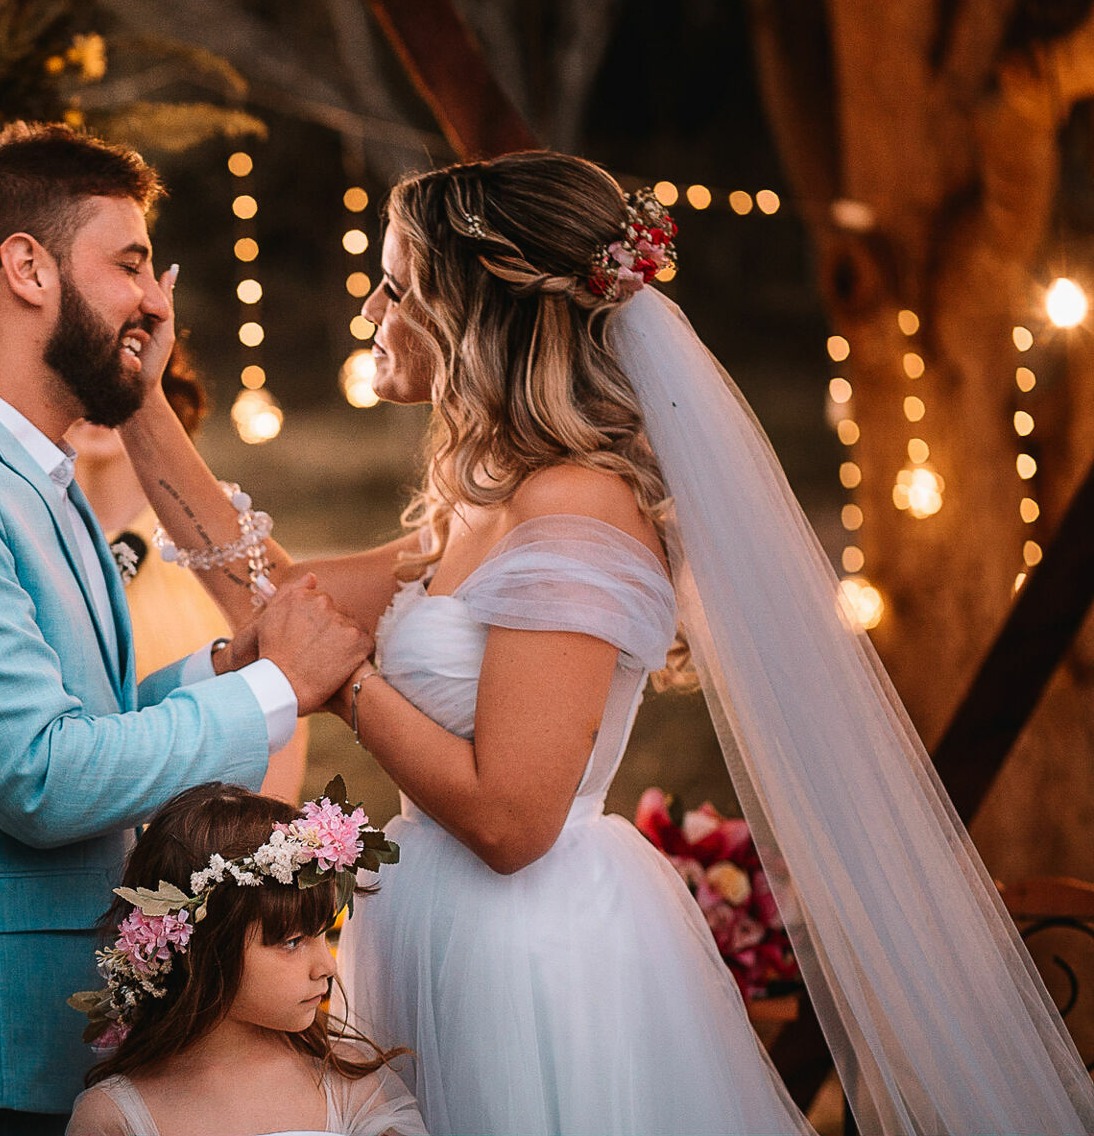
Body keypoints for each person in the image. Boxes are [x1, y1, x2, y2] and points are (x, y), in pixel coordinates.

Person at [118, 151, 1094, 1135]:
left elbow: (513, 821)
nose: (371, 310)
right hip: (432, 926)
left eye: (398, 288)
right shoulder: (487, 499)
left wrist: (346, 687)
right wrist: (141, 403)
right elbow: (280, 600)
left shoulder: (578, 505)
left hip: (527, 958)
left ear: (477, 314)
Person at [0, 122, 373, 1136]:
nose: (157, 302)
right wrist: (276, 689)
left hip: (51, 1038)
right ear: (27, 268)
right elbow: (42, 774)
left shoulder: (34, 471)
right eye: (131, 264)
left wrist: (226, 664)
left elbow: (87, 714)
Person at [66, 781, 424, 1136]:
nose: (327, 967)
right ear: (202, 949)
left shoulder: (352, 1085)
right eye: (292, 942)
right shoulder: (115, 1118)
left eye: (322, 934)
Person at [68, 347, 310, 804]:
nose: (97, 396)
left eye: (117, 375)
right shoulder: (23, 540)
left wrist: (260, 837)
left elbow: (284, 695)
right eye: (81, 375)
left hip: (205, 831)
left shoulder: (222, 548)